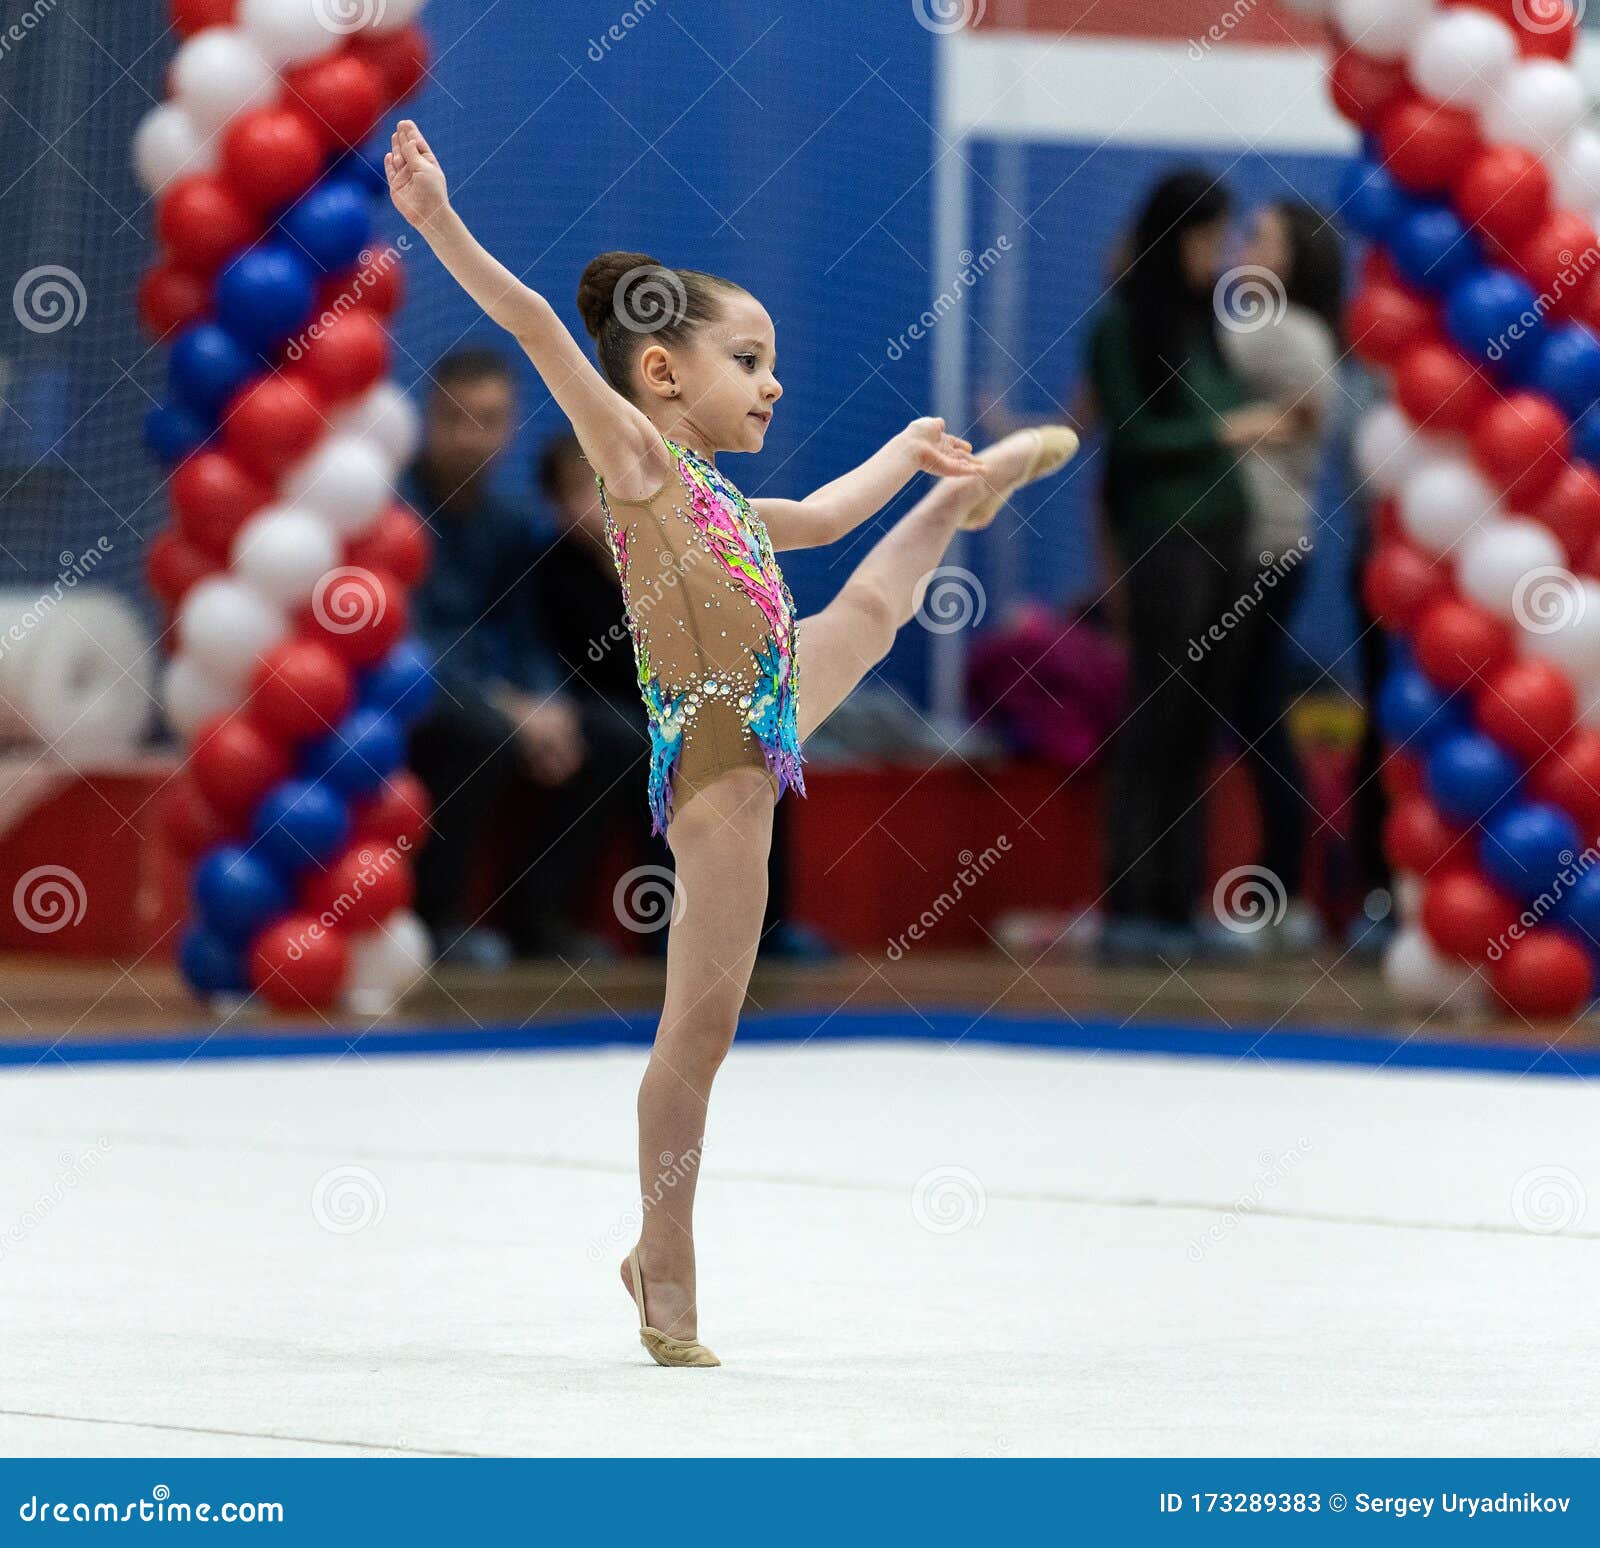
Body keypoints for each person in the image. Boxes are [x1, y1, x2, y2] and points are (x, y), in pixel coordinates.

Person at [386, 118, 1077, 1365]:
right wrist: (439, 221)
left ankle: (959, 498)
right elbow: (542, 324)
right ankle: (662, 1252)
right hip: (714, 766)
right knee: (696, 1034)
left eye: (774, 364)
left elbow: (815, 516)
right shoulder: (641, 465)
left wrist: (909, 455)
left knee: (864, 606)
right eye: (749, 360)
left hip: (763, 710)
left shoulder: (723, 499)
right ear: (660, 374)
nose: (772, 383)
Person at [1086, 169, 1292, 963]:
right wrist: (1228, 434)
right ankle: (1130, 899)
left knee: (1200, 720)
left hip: (1224, 533)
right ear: (1171, 239)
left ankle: (1179, 899)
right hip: (1165, 538)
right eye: (1206, 238)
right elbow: (1134, 439)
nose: (1219, 254)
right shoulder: (1120, 327)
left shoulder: (1205, 326)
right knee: (1157, 712)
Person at [533, 434, 835, 961]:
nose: (599, 503)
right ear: (556, 507)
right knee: (660, 753)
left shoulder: (669, 552)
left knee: (760, 739)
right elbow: (570, 667)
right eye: (582, 492)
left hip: (678, 703)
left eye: (606, 487)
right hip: (607, 713)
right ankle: (667, 923)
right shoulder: (554, 575)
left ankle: (768, 924)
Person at [401, 350, 616, 967]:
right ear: (430, 419)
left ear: (511, 426)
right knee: (481, 731)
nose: (472, 438)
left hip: (497, 696)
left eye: (489, 420)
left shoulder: (510, 523)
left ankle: (539, 922)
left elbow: (527, 633)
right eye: (457, 419)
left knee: (615, 736)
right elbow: (407, 643)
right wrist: (509, 704)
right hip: (410, 697)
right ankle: (435, 920)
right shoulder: (392, 512)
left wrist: (551, 701)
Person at [1218, 201, 1344, 953]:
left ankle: (1285, 890)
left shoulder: (1292, 331)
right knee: (1250, 713)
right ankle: (1278, 889)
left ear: (1294, 257)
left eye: (1259, 236)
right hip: (1246, 544)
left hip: (1267, 547)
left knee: (1258, 714)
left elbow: (1308, 415)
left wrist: (1203, 431)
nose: (1244, 246)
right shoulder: (1254, 325)